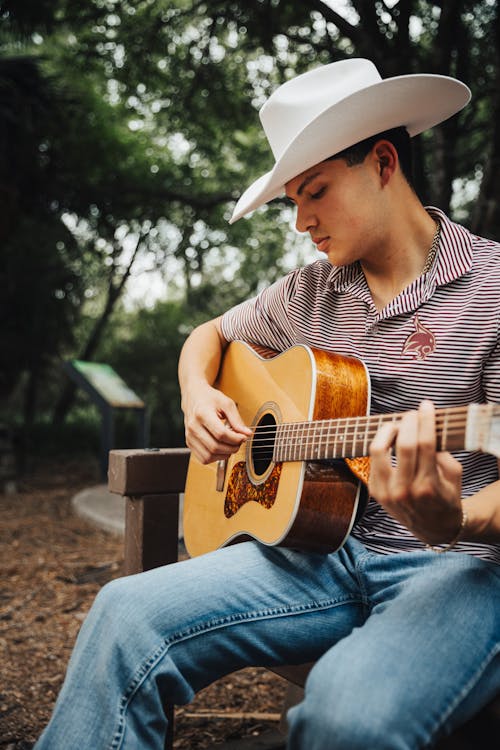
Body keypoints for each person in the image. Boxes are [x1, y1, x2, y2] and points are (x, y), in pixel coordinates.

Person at [35, 58, 500, 750]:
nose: (301, 221)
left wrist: (453, 515)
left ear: (381, 162)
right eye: (291, 200)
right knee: (123, 616)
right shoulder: (309, 292)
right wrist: (197, 393)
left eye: (314, 191)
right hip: (322, 553)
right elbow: (209, 337)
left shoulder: (492, 288)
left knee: (348, 720)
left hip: (460, 568)